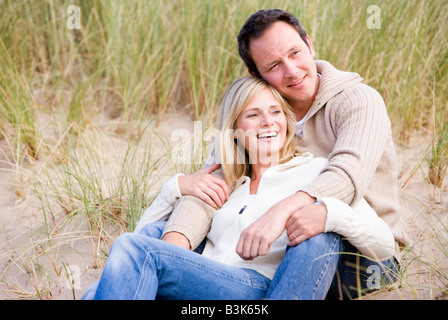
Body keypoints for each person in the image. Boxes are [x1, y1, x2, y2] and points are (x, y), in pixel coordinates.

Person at [153, 9, 409, 299]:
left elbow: (347, 177)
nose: (292, 70)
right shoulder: (259, 113)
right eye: (274, 65)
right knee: (163, 236)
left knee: (312, 224)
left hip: (362, 253)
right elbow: (214, 184)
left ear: (310, 45)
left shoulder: (358, 101)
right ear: (256, 74)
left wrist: (280, 211)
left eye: (295, 53)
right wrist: (173, 248)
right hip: (272, 248)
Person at [83, 76, 396, 300]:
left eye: (275, 112)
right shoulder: (226, 184)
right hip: (203, 282)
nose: (267, 122)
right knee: (117, 267)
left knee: (132, 250)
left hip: (261, 288)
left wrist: (329, 215)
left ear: (287, 122)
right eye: (253, 115)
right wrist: (174, 187)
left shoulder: (314, 173)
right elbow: (135, 254)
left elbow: (384, 245)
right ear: (234, 132)